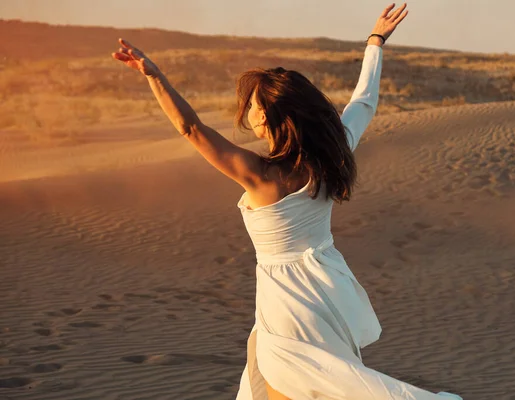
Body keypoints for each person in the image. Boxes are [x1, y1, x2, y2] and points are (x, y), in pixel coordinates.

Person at [112, 3, 462, 399]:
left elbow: (190, 128)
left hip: (288, 303)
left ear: (273, 117)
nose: (250, 117)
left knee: (296, 386)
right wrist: (375, 42)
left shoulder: (260, 175)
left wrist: (155, 77)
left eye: (255, 109)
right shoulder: (332, 156)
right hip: (330, 290)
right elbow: (363, 103)